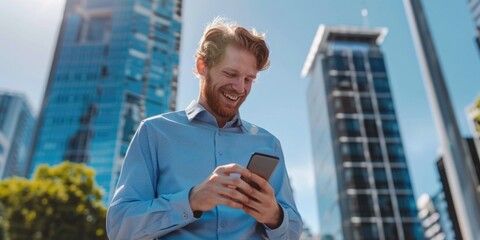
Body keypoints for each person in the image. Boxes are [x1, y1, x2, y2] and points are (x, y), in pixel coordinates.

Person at [106, 17, 303, 239]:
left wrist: (274, 216)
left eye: (249, 79)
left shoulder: (268, 144)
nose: (240, 88)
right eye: (231, 74)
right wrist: (192, 200)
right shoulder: (155, 133)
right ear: (202, 66)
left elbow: (293, 230)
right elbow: (119, 226)